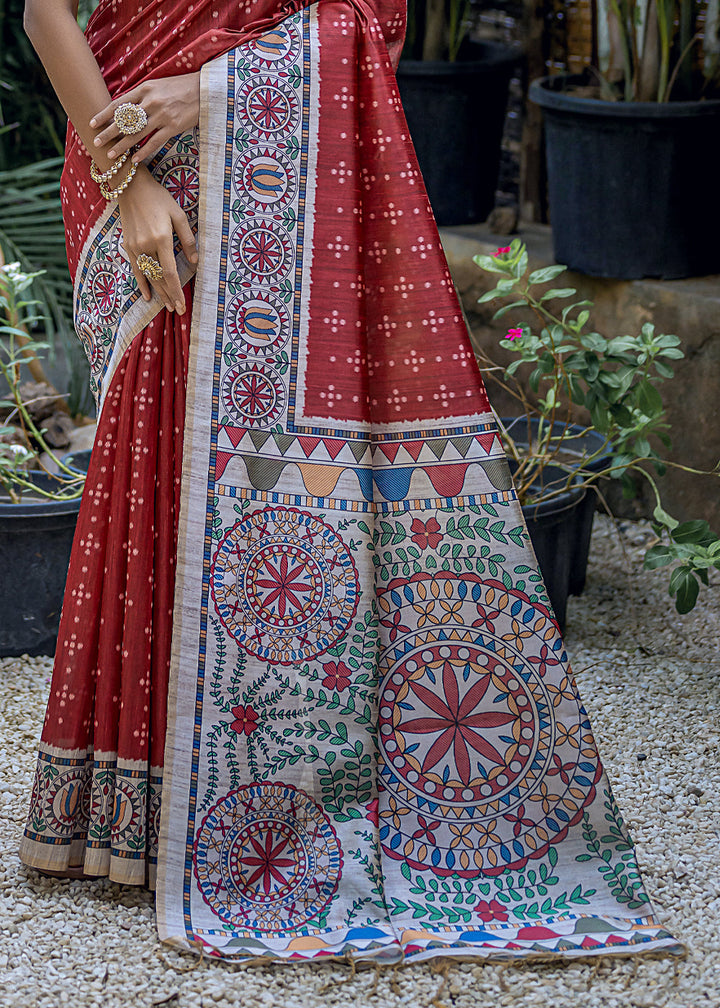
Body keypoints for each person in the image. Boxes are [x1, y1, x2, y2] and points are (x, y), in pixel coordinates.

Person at [19, 0, 678, 964]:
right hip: (132, 138)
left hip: (259, 137)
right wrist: (127, 183)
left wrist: (215, 90)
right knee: (159, 449)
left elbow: (369, 15)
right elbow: (43, 8)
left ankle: (256, 805)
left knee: (241, 471)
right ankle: (133, 810)